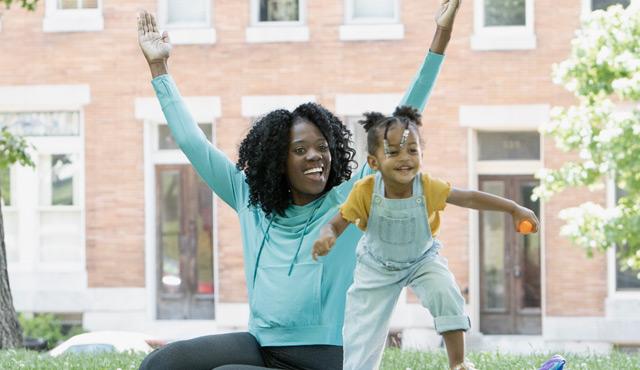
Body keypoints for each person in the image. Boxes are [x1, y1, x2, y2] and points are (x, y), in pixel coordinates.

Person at [136, 1, 461, 368]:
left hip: (327, 357)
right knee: (163, 363)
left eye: (323, 148)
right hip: (261, 344)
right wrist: (159, 67)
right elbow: (194, 143)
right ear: (277, 160)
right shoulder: (249, 199)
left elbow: (402, 117)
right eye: (301, 149)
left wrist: (441, 36)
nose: (316, 157)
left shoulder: (352, 201)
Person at [312, 107, 540, 370]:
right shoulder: (365, 191)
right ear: (374, 162)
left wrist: (513, 208)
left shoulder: (428, 186)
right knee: (360, 324)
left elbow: (468, 197)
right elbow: (338, 222)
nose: (405, 158)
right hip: (377, 266)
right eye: (393, 151)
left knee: (445, 291)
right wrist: (326, 236)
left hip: (422, 260)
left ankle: (458, 363)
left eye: (412, 150)